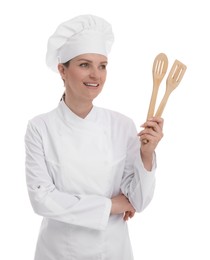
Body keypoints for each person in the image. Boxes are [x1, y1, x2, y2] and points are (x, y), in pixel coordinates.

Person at [25, 14, 164, 260]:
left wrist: (146, 154)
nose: (96, 76)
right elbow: (42, 200)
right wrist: (112, 205)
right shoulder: (40, 128)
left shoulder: (122, 125)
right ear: (62, 70)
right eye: (84, 64)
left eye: (102, 66)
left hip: (111, 250)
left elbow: (138, 201)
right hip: (57, 252)